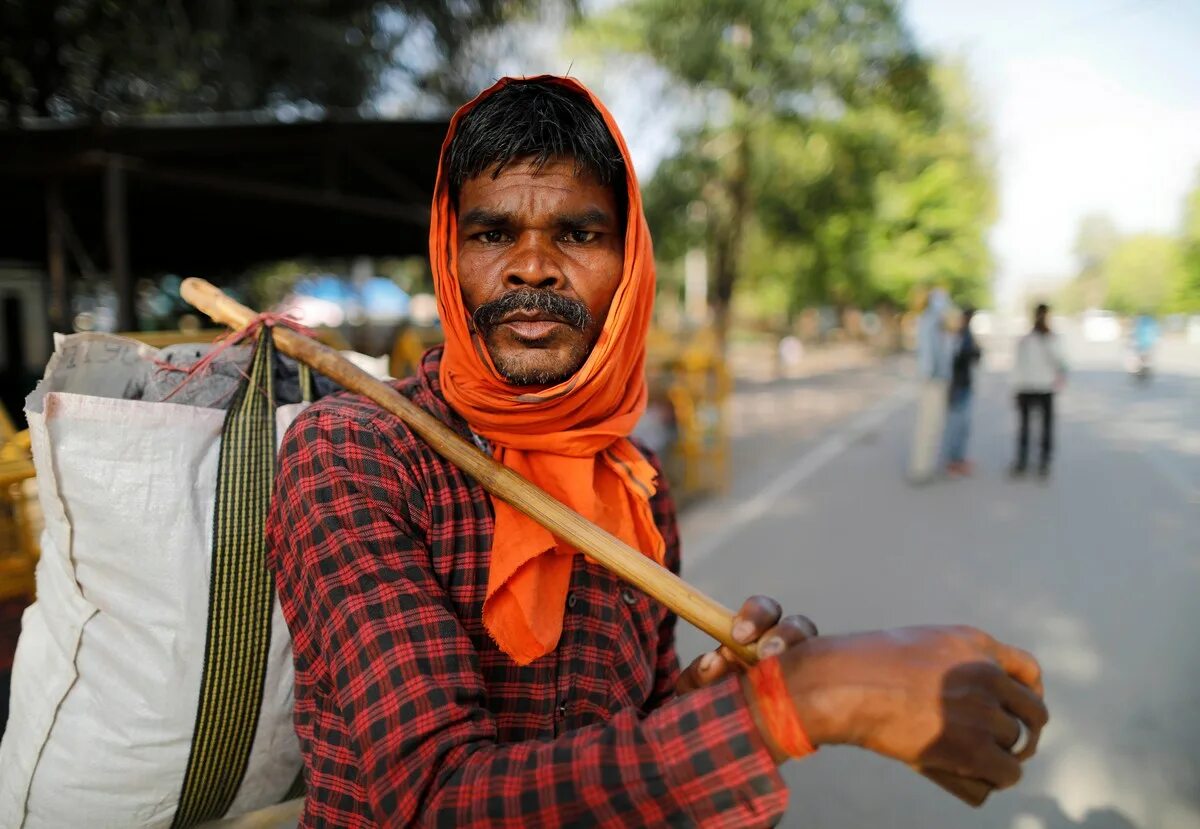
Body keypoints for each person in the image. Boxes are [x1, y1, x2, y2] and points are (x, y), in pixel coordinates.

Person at [266, 77, 1047, 827]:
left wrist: (699, 702)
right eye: (493, 232)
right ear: (449, 251)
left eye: (578, 233)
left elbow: (615, 740)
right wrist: (806, 699)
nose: (532, 264)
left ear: (630, 262)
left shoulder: (634, 480)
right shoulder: (355, 454)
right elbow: (435, 800)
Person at [1011, 304, 1067, 479]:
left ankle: (1034, 462)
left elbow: (1060, 361)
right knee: (1034, 427)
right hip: (1035, 387)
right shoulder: (1033, 339)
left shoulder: (1045, 339)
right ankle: (1030, 461)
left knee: (1036, 427)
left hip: (1036, 387)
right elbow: (1061, 362)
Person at [908, 288, 952, 483]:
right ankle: (920, 469)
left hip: (938, 380)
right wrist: (930, 376)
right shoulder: (929, 322)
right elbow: (928, 355)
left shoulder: (938, 324)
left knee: (935, 425)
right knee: (927, 425)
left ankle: (928, 465)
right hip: (931, 381)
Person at [942, 306, 982, 477]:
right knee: (957, 426)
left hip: (963, 385)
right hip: (957, 386)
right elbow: (959, 358)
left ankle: (959, 458)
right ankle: (953, 461)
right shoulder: (957, 336)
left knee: (963, 426)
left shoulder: (965, 335)